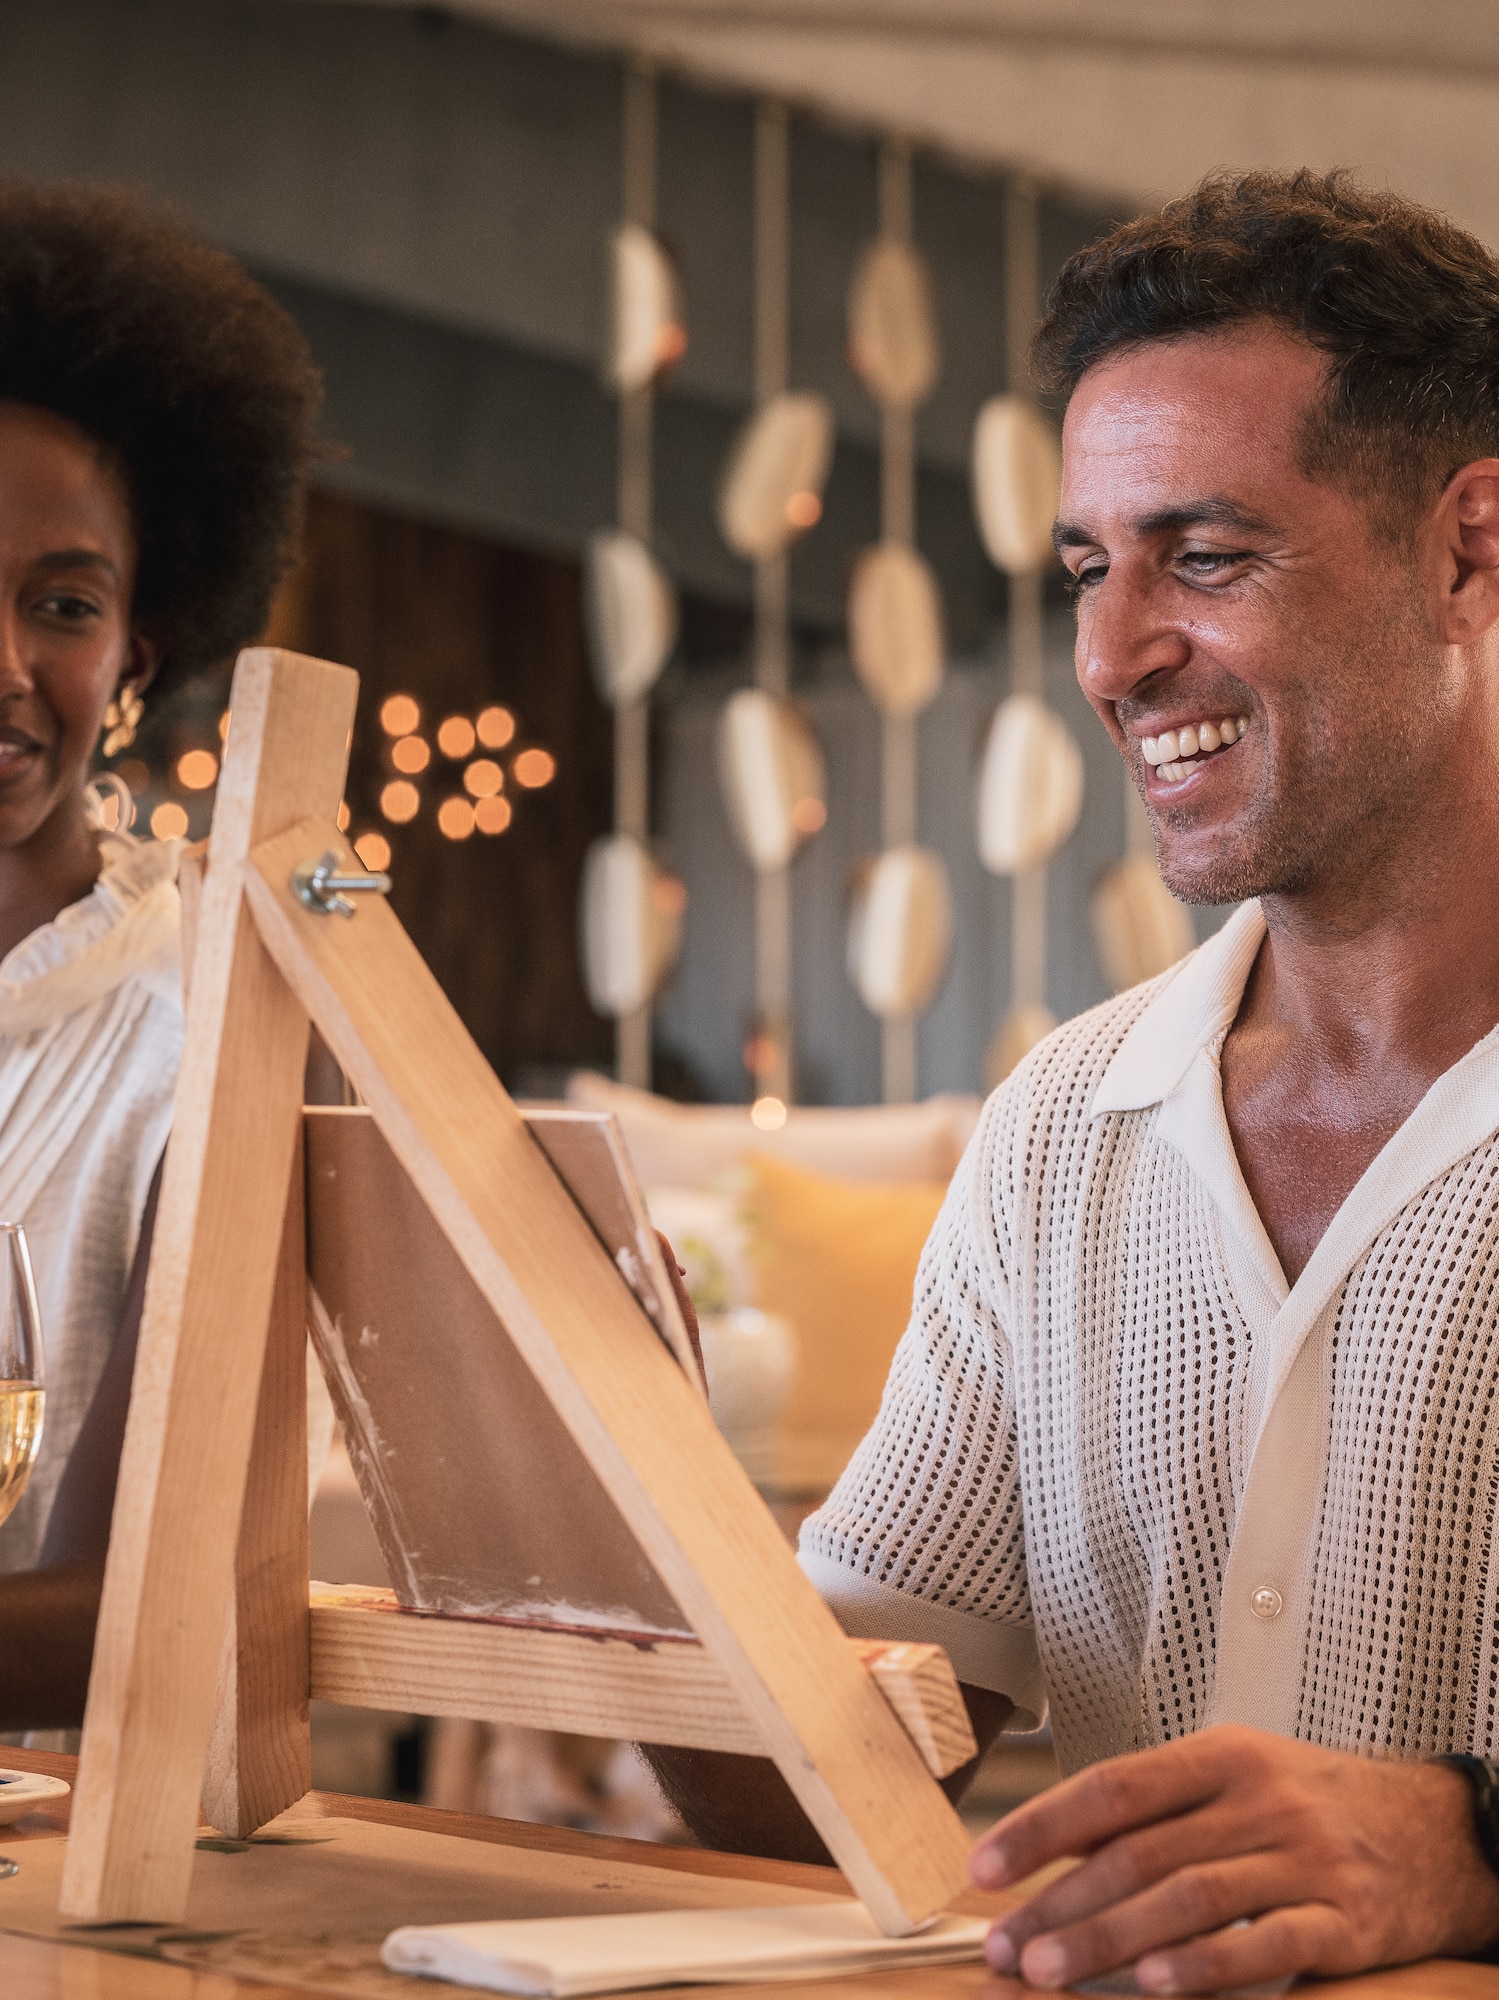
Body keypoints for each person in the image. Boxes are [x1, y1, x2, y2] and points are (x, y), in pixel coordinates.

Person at [651, 170, 1499, 1989]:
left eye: (1206, 555)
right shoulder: (1068, 1124)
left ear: (1468, 550)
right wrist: (631, 1508)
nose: (1112, 660)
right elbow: (831, 1766)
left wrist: (1466, 1841)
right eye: (1088, 569)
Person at [0, 180, 321, 1726]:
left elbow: (157, 1588)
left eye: (60, 603)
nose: (5, 668)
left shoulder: (209, 1019)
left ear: (136, 650)